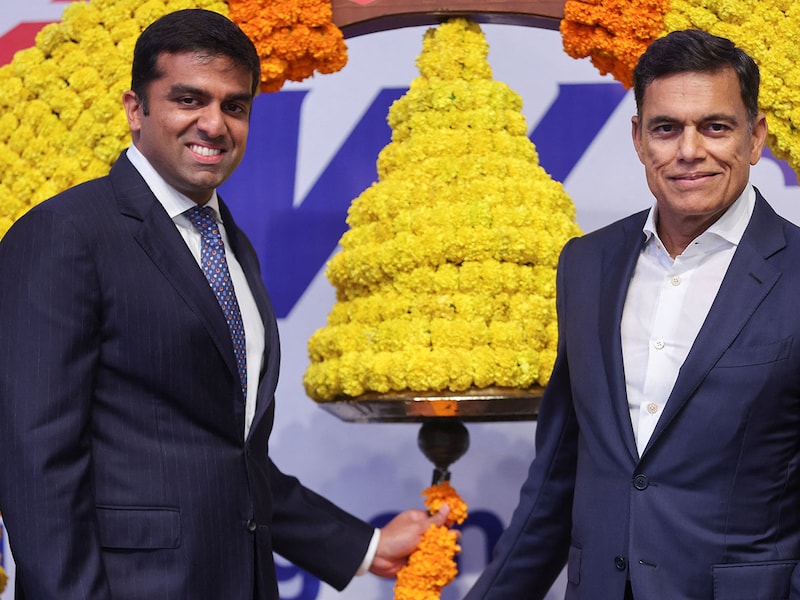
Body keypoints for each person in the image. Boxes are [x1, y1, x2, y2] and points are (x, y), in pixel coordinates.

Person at [0, 9, 449, 600]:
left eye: (234, 106)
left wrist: (361, 546)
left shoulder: (228, 242)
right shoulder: (65, 234)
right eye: (189, 99)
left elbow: (228, 453)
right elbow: (36, 465)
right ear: (135, 109)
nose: (214, 124)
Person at [464, 28, 800, 600]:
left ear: (755, 137)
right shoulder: (586, 264)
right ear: (639, 139)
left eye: (715, 127)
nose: (689, 151)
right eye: (666, 128)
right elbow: (557, 476)